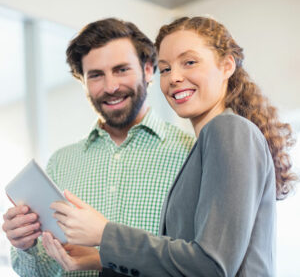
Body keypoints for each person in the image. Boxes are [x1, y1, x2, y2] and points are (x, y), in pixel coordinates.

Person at [43, 16, 298, 277]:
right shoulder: (210, 141)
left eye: (189, 62)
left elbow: (212, 266)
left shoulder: (227, 129)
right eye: (165, 69)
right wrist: (102, 258)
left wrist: (105, 234)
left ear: (226, 66)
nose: (174, 77)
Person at [1, 18, 195, 277]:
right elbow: (41, 273)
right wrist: (26, 246)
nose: (111, 87)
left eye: (121, 70)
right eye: (95, 75)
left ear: (148, 69)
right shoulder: (61, 162)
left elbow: (198, 263)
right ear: (82, 81)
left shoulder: (190, 154)